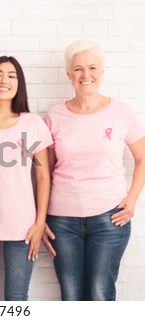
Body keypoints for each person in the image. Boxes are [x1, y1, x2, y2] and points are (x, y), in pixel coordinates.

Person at [42, 39, 145, 301]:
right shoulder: (54, 116)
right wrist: (39, 218)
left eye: (92, 68)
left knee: (100, 294)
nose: (85, 75)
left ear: (102, 71)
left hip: (110, 219)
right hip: (62, 222)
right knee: (71, 295)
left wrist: (132, 199)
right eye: (77, 69)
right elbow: (44, 172)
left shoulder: (121, 112)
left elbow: (142, 158)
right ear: (68, 74)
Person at [0, 56, 52, 301]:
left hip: (23, 227)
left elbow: (43, 176)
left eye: (11, 76)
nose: (4, 80)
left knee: (17, 297)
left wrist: (39, 223)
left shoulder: (32, 124)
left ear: (19, 84)